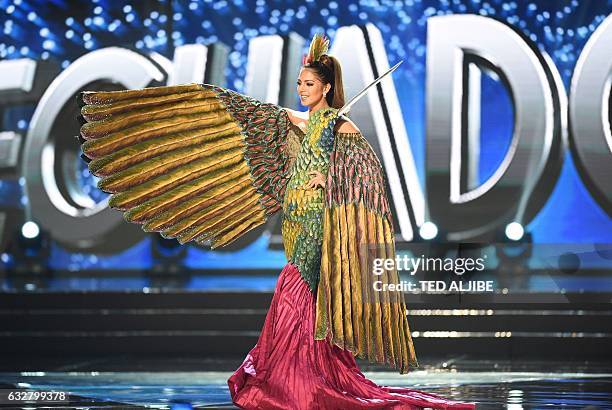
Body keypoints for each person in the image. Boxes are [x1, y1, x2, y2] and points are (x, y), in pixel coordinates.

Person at [78, 33, 476, 409]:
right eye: (299, 83)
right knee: (293, 292)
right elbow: (245, 117)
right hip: (294, 220)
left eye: (308, 84)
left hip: (320, 227)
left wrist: (330, 178)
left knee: (298, 295)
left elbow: (368, 178)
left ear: (326, 88)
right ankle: (292, 377)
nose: (301, 90)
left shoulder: (341, 128)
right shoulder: (292, 123)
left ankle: (299, 381)